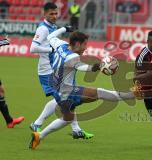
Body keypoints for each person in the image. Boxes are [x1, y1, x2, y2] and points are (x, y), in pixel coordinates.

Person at [29, 27, 139, 150]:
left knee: (67, 119)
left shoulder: (60, 45)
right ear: (77, 44)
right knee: (99, 93)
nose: (86, 48)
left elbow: (50, 37)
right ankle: (132, 94)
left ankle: (39, 136)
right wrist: (96, 67)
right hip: (68, 91)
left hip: (58, 89)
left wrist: (64, 28)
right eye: (85, 44)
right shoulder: (72, 57)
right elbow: (81, 67)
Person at [30, 2, 93, 139]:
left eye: (55, 13)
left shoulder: (52, 27)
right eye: (51, 14)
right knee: (65, 98)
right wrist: (51, 49)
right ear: (44, 14)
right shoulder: (43, 29)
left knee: (67, 98)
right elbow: (33, 48)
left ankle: (75, 130)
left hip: (59, 68)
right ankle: (38, 123)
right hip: (48, 70)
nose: (54, 16)